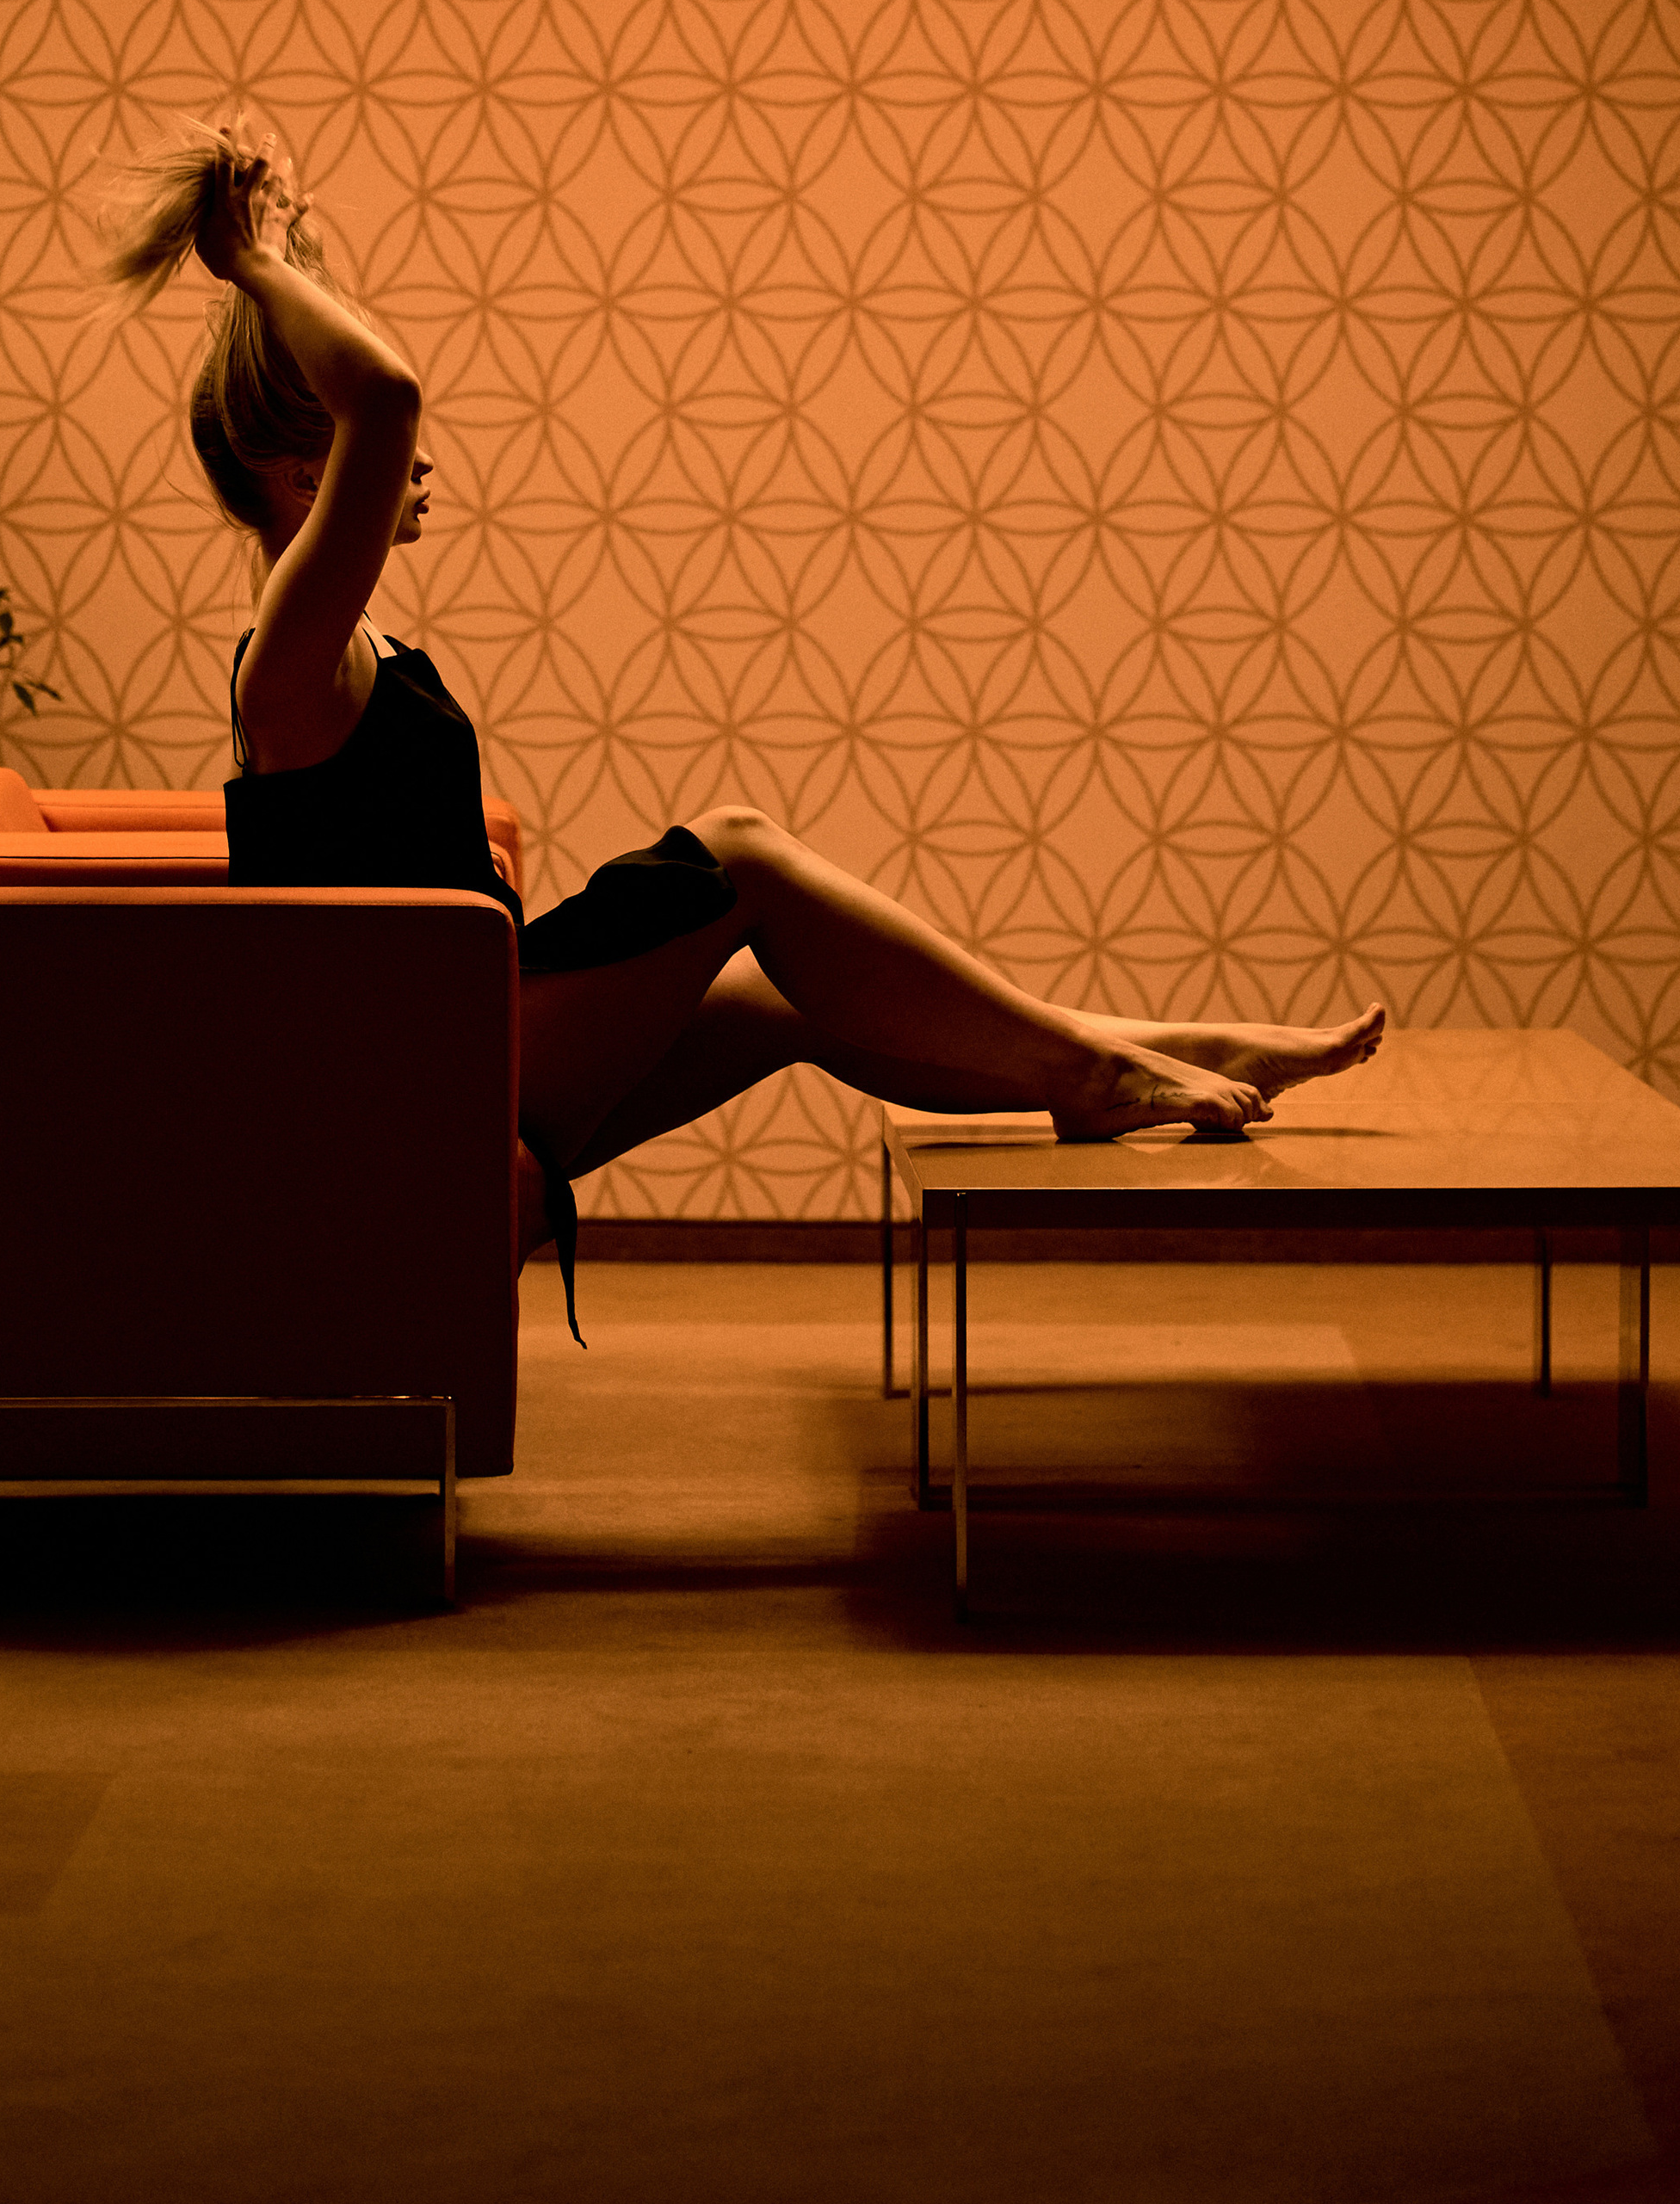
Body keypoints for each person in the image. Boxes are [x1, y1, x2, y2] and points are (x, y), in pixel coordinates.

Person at [106, 122, 1384, 1334]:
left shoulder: (344, 646)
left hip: (467, 1021)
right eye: (399, 457)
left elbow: (370, 402)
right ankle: (1105, 1073)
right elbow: (382, 393)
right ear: (305, 475)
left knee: (799, 1002)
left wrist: (290, 257)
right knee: (742, 849)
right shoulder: (289, 661)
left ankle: (1121, 1058)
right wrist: (253, 267)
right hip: (411, 1078)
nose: (425, 467)